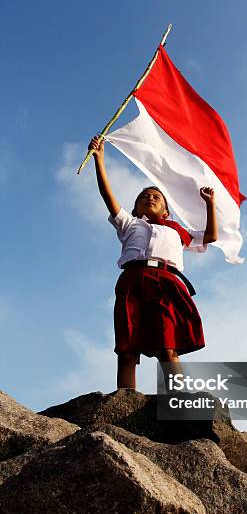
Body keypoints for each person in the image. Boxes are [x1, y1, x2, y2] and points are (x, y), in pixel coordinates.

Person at [88, 135, 218, 392]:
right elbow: (107, 195)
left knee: (167, 347)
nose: (150, 198)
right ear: (135, 209)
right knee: (127, 347)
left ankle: (176, 399)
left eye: (156, 196)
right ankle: (125, 399)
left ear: (166, 211)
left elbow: (211, 236)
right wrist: (99, 159)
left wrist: (210, 204)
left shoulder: (176, 229)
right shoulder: (129, 224)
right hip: (133, 280)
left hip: (167, 282)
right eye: (144, 197)